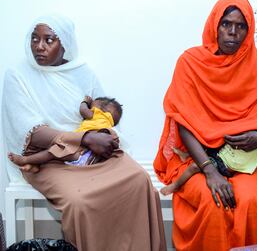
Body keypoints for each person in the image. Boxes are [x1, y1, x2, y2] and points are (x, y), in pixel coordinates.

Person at [2, 14, 166, 251]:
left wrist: (99, 136)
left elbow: (105, 114)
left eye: (49, 40)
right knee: (80, 202)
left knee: (138, 179)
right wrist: (84, 138)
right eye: (34, 39)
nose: (39, 46)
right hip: (47, 160)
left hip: (90, 153)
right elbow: (32, 133)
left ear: (65, 42)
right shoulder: (18, 76)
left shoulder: (82, 72)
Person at [153, 0, 257, 250]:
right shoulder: (190, 62)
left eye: (241, 26)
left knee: (252, 199)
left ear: (249, 31)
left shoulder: (252, 63)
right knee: (213, 200)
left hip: (242, 159)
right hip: (196, 158)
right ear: (214, 25)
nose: (233, 32)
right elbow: (183, 122)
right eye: (226, 23)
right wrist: (209, 170)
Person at [8, 95, 123, 169]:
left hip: (80, 147)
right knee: (56, 155)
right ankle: (34, 166)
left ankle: (26, 160)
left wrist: (85, 102)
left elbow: (83, 111)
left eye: (93, 104)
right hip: (89, 159)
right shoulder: (109, 125)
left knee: (53, 152)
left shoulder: (98, 114)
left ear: (101, 107)